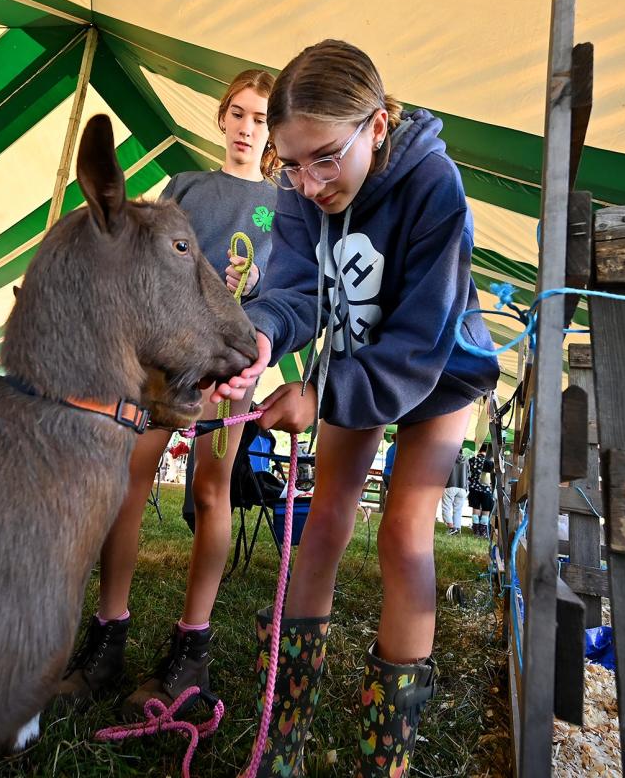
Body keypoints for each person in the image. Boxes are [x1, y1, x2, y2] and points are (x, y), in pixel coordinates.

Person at [212, 39, 499, 777]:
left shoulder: (435, 183)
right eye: (290, 163)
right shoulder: (304, 190)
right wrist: (264, 333)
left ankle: (385, 756)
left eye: (325, 158)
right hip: (355, 361)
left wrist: (322, 393)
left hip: (436, 368)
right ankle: (287, 734)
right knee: (326, 518)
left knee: (404, 535)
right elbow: (297, 289)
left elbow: (419, 338)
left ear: (376, 126)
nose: (307, 183)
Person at [61, 69, 279, 718]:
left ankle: (192, 649)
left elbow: (284, 294)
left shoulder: (281, 206)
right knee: (129, 477)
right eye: (237, 113)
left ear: (272, 130)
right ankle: (108, 635)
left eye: (260, 119)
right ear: (220, 117)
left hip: (230, 366)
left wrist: (257, 280)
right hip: (161, 362)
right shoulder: (185, 186)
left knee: (212, 492)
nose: (246, 128)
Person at [440, 447, 469, 535]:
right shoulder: (466, 460)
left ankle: (451, 527)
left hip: (450, 485)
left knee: (446, 507)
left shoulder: (448, 458)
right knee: (458, 509)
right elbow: (469, 473)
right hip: (463, 487)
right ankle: (457, 528)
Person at [467, 445, 495, 537]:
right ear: (486, 452)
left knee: (476, 509)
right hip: (486, 489)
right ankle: (483, 532)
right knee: (486, 510)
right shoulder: (489, 463)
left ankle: (476, 532)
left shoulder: (471, 460)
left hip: (474, 488)